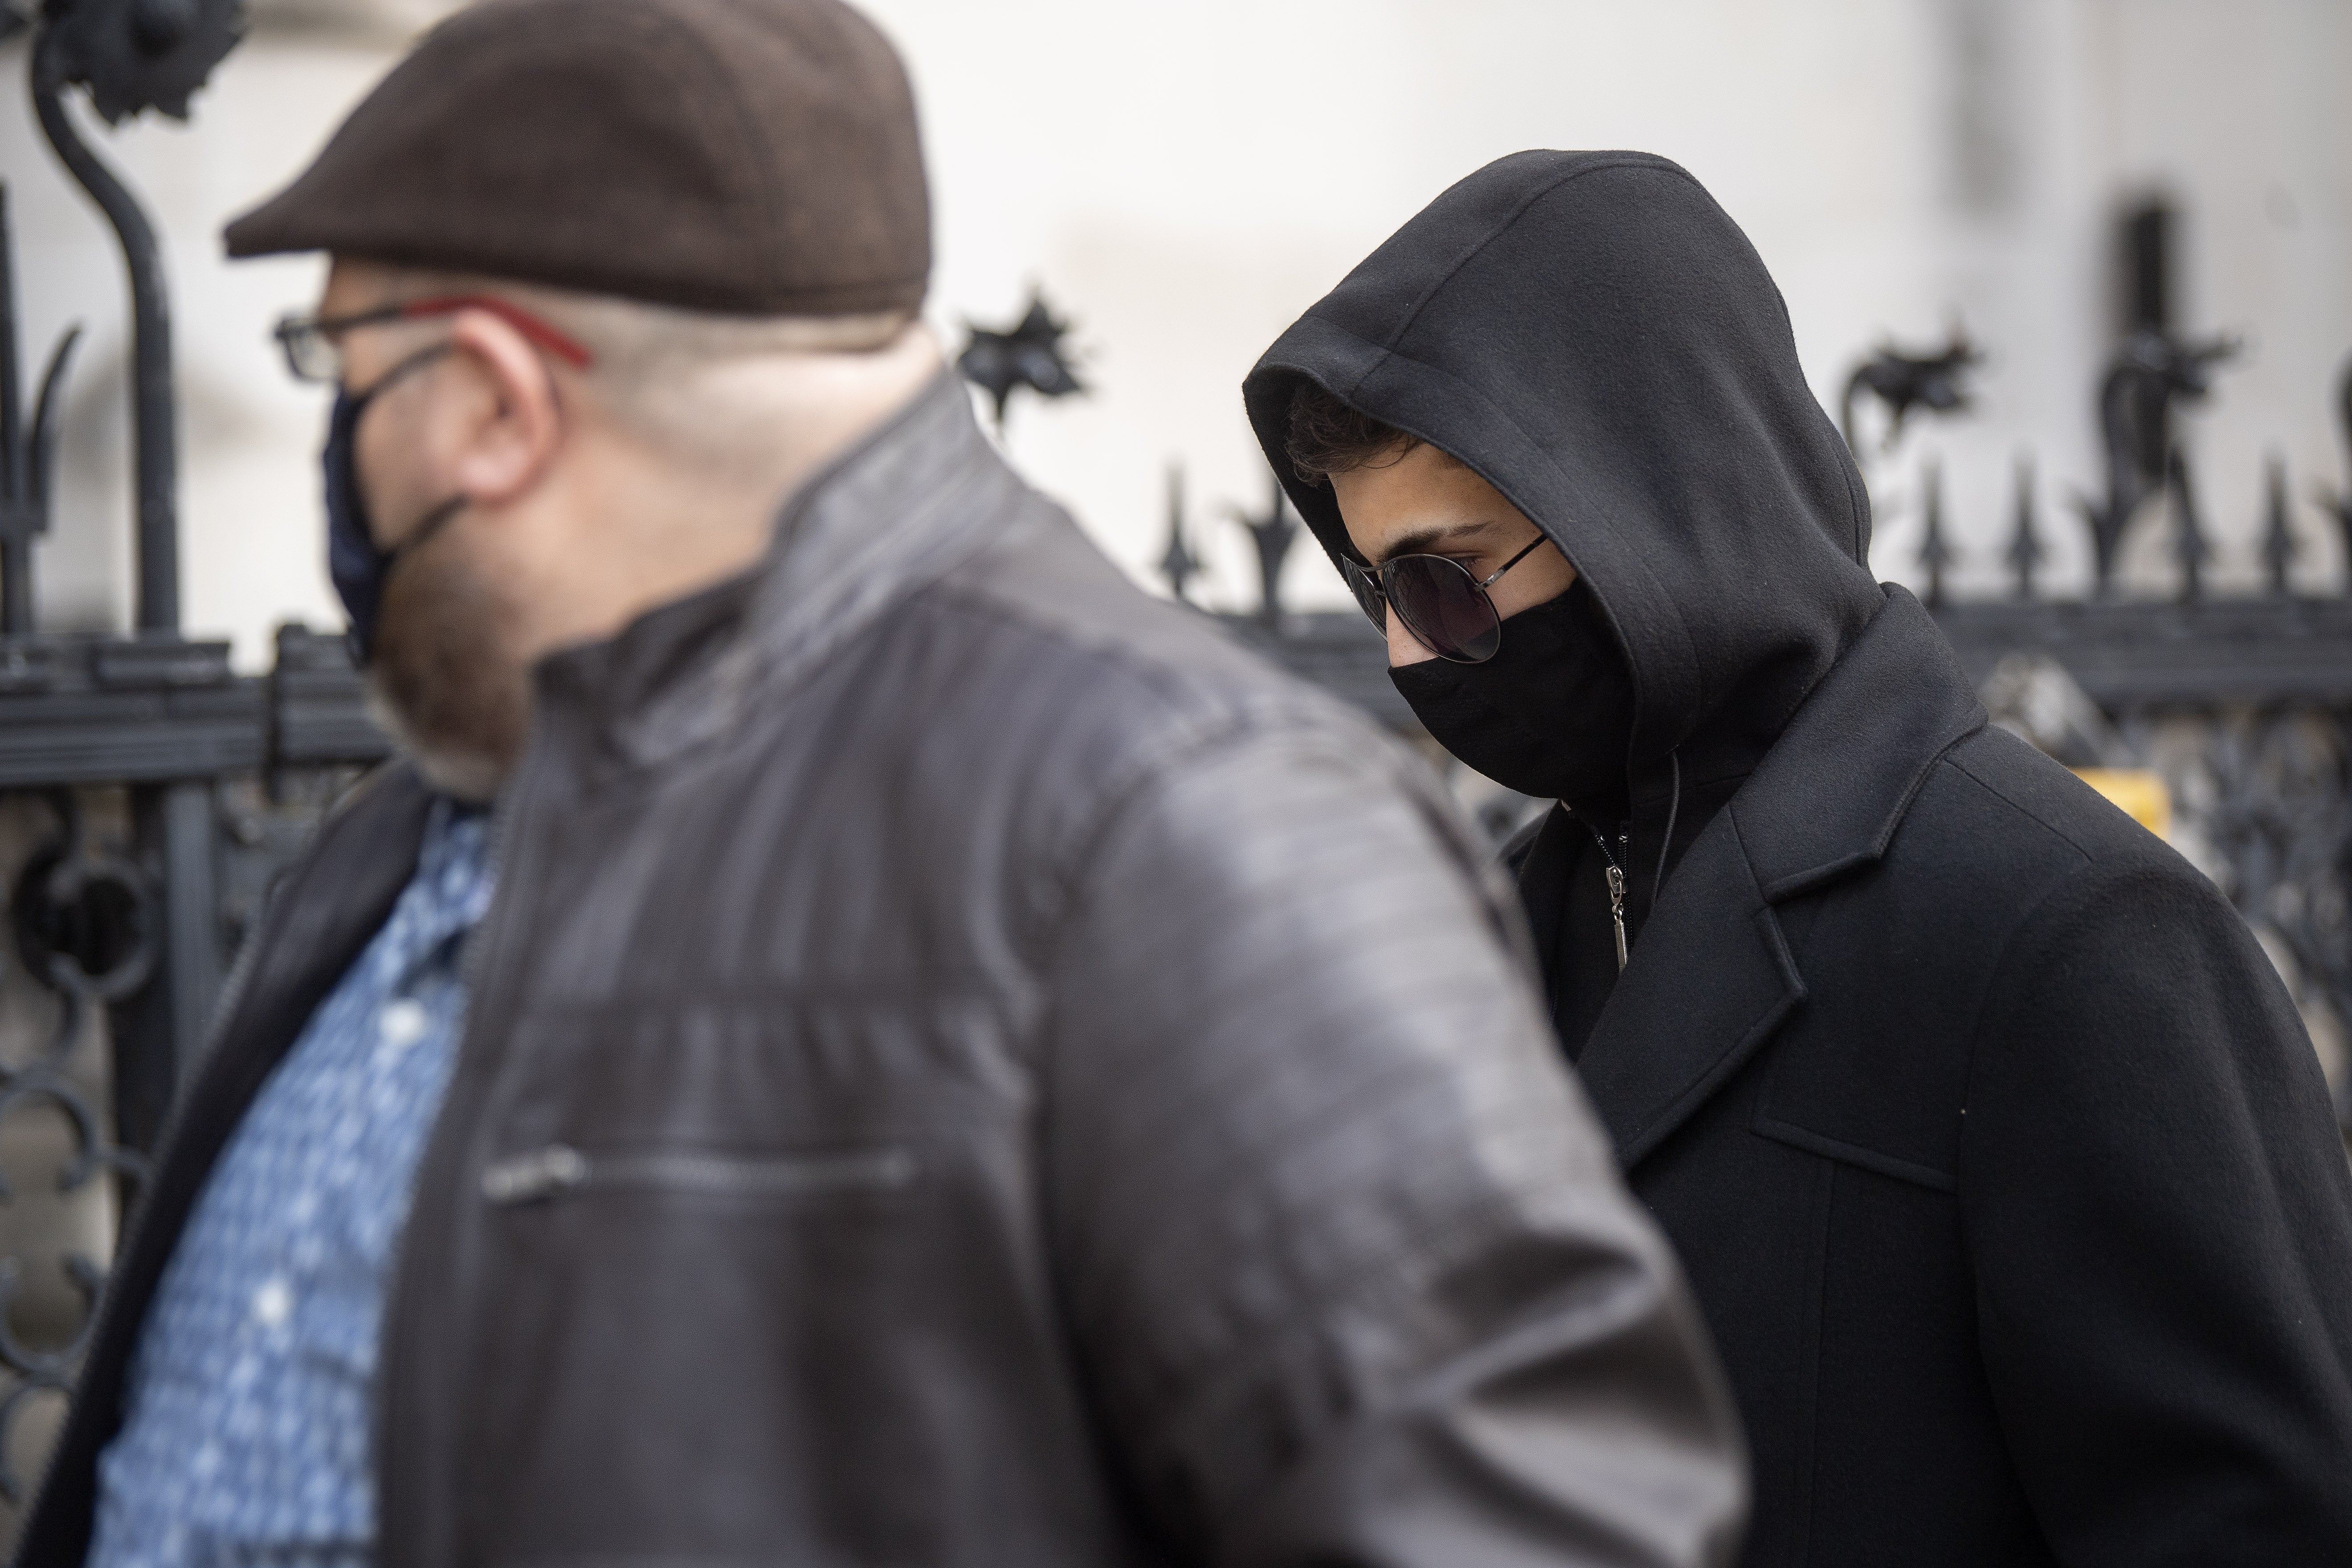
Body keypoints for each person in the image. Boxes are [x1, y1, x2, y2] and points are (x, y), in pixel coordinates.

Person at [14, 12, 1750, 1568]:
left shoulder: (1180, 823)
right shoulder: (414, 823)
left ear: (484, 398)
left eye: (342, 368)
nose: (337, 441)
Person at [1242, 149, 2352, 1567]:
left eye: (1446, 582)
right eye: (1375, 585)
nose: (1406, 652)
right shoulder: (1506, 934)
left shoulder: (2069, 930)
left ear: (1654, 510)